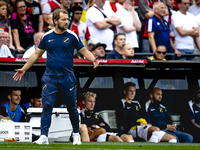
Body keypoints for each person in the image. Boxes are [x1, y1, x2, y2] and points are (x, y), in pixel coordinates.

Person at [13, 9, 99, 145]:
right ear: (55, 21)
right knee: (47, 106)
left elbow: (83, 50)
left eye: (67, 19)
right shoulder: (47, 36)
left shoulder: (72, 36)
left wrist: (93, 59)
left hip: (67, 78)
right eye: (63, 20)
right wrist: (23, 69)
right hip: (50, 78)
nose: (66, 22)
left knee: (71, 107)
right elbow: (36, 54)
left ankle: (76, 133)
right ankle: (44, 136)